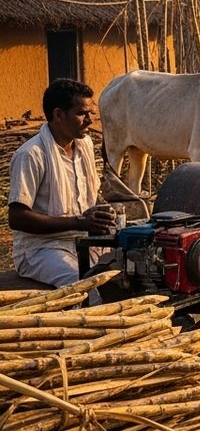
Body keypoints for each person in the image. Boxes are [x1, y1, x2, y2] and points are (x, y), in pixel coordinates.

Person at [8, 79, 115, 287]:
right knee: (86, 285)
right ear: (58, 115)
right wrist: (79, 222)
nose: (89, 120)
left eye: (90, 113)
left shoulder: (84, 146)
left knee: (128, 273)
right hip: (41, 249)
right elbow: (17, 218)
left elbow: (88, 194)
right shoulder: (31, 155)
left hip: (83, 243)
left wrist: (103, 210)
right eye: (81, 113)